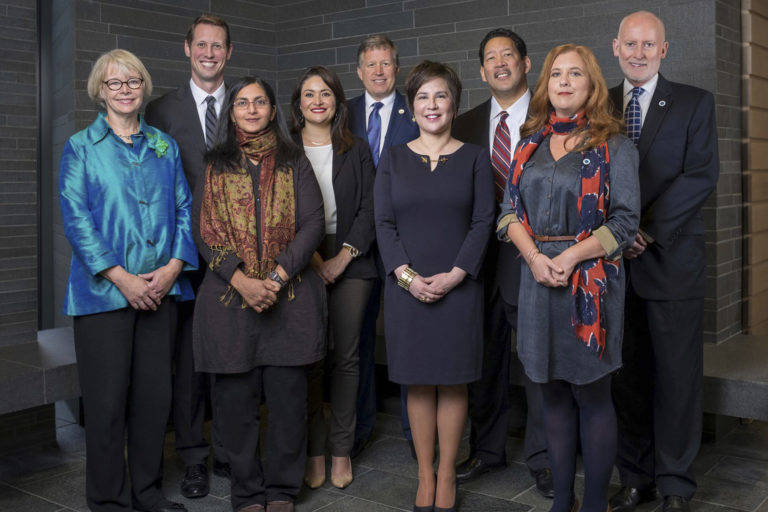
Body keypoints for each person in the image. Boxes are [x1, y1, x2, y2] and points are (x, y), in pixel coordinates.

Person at [500, 44, 640, 512]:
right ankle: (563, 501)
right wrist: (536, 259)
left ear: (591, 84)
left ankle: (595, 503)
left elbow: (623, 223)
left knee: (593, 396)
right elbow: (508, 214)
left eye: (574, 73)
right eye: (555, 73)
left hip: (591, 288)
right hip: (536, 278)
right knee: (552, 398)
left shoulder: (615, 146)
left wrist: (571, 257)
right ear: (545, 84)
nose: (563, 81)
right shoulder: (529, 142)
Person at [59, 49, 197, 512]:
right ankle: (108, 502)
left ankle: (147, 493)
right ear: (100, 91)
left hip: (163, 290)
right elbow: (76, 220)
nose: (124, 90)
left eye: (133, 81)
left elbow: (184, 208)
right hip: (102, 297)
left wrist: (175, 266)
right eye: (114, 83)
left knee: (154, 401)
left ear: (144, 88)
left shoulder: (164, 145)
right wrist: (123, 279)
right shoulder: (81, 147)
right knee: (106, 406)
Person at [191, 76, 325, 512]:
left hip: (288, 300)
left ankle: (283, 490)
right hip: (230, 302)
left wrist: (279, 275)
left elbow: (312, 224)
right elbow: (204, 232)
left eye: (260, 102)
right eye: (243, 103)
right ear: (231, 112)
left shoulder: (294, 161)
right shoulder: (215, 164)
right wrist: (243, 281)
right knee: (234, 407)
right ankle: (247, 492)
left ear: (272, 110)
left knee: (288, 404)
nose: (251, 110)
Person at [607, 11, 719, 512]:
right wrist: (615, 236)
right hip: (612, 267)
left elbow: (699, 176)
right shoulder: (599, 103)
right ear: (615, 47)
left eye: (647, 44)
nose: (638, 52)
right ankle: (636, 477)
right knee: (626, 379)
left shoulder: (695, 103)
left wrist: (642, 230)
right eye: (630, 43)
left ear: (664, 50)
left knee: (676, 380)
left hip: (670, 262)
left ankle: (675, 484)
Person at [374, 60, 494, 512]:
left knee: (454, 383)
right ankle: (424, 475)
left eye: (440, 95)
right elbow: (383, 223)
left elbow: (484, 221)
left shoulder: (475, 157)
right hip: (407, 289)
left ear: (454, 102)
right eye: (422, 96)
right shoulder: (394, 158)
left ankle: (447, 475)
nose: (432, 104)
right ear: (412, 105)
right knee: (418, 385)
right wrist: (406, 277)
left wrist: (457, 274)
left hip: (459, 288)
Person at [451, 28, 552, 497]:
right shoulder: (467, 123)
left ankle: (544, 459)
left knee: (535, 360)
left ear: (526, 63)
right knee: (484, 359)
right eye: (490, 58)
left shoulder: (551, 114)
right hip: (477, 259)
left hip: (534, 255)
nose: (499, 63)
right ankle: (487, 450)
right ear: (481, 71)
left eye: (508, 55)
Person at [144, 13, 233, 498]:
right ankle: (194, 456)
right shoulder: (160, 111)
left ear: (229, 52)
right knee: (188, 363)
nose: (209, 53)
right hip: (181, 259)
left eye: (218, 46)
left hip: (234, 258)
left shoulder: (247, 104)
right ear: (187, 49)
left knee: (229, 359)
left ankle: (229, 450)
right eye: (201, 45)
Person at [289, 66, 376, 490]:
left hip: (353, 259)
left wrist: (342, 257)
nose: (317, 100)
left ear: (337, 101)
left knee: (345, 358)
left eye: (325, 93)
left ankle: (341, 449)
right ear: (298, 103)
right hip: (299, 261)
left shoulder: (356, 149)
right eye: (309, 94)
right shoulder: (284, 151)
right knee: (310, 358)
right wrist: (312, 259)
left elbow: (369, 209)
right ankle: (313, 450)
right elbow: (278, 215)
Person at [347, 34, 420, 459]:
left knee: (408, 335)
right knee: (355, 339)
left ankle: (415, 432)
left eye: (386, 64)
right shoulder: (343, 113)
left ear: (397, 69)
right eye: (370, 65)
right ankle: (359, 427)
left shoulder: (418, 111)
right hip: (355, 246)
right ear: (359, 71)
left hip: (403, 243)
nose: (378, 71)